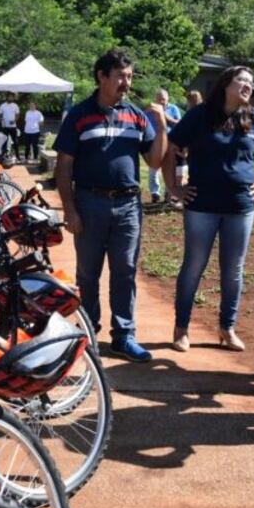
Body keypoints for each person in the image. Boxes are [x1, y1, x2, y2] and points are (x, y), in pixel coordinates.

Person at [53, 49, 168, 362]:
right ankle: (89, 336)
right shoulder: (79, 115)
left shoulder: (136, 116)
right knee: (88, 275)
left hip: (129, 206)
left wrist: (160, 125)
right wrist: (70, 209)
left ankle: (124, 337)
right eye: (120, 76)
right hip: (89, 203)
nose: (126, 83)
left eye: (129, 76)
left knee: (125, 272)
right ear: (102, 77)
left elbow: (155, 160)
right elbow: (63, 166)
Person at [162, 66, 254, 353]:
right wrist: (173, 187)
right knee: (193, 266)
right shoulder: (200, 115)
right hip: (201, 206)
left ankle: (227, 329)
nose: (248, 86)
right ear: (226, 84)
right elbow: (171, 145)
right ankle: (181, 329)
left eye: (251, 83)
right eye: (242, 80)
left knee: (233, 271)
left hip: (240, 206)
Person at [146, 89, 182, 203]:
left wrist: (166, 117)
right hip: (154, 141)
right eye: (159, 99)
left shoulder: (173, 108)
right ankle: (155, 193)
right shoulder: (150, 110)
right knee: (154, 168)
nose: (161, 101)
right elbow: (143, 122)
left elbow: (180, 124)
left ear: (168, 99)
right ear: (155, 99)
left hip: (170, 141)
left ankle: (169, 192)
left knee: (170, 167)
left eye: (163, 99)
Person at [0, 94, 21, 158]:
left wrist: (14, 121)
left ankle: (17, 156)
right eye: (9, 97)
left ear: (13, 98)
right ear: (7, 97)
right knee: (4, 141)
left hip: (13, 127)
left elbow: (18, 115)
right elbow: (0, 115)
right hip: (5, 127)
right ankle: (3, 156)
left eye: (12, 97)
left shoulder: (15, 105)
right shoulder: (2, 105)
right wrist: (1, 121)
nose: (10, 98)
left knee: (15, 142)